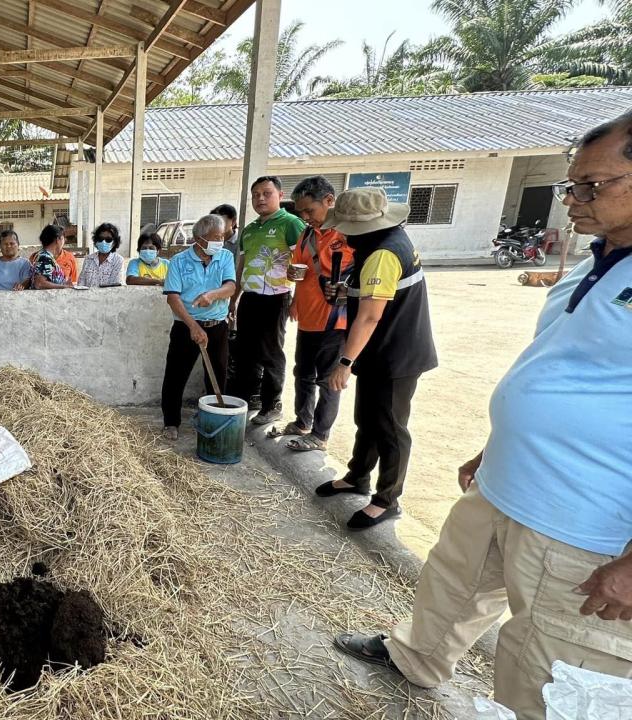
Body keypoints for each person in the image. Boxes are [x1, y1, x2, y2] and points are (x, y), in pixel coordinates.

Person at [333, 113, 632, 720]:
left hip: (582, 521)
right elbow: (556, 367)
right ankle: (415, 657)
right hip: (508, 482)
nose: (571, 200)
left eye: (592, 185)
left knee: (546, 669)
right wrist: (497, 445)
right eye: (571, 185)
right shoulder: (596, 262)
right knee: (454, 581)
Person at [314, 187, 437, 530]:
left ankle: (387, 499)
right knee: (367, 418)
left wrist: (344, 362)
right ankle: (357, 476)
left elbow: (369, 316)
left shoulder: (383, 253)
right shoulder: (386, 242)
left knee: (390, 428)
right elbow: (372, 292)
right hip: (379, 350)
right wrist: (345, 291)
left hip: (396, 355)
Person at [267, 176, 354, 452]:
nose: (305, 217)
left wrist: (345, 286)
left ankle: (320, 434)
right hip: (308, 317)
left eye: (309, 211)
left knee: (329, 379)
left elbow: (357, 275)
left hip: (334, 319)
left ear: (329, 201)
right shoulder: (306, 234)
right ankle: (302, 422)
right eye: (301, 212)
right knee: (303, 372)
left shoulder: (347, 234)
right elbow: (301, 266)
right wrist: (294, 284)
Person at [231, 177, 305, 425]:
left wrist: (297, 300)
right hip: (250, 297)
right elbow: (241, 266)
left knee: (271, 350)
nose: (260, 198)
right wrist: (233, 300)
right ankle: (247, 398)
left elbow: (304, 262)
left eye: (266, 193)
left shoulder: (291, 224)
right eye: (255, 195)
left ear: (280, 195)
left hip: (276, 298)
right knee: (245, 350)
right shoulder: (249, 230)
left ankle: (272, 403)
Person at [160, 215, 237, 441]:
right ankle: (171, 422)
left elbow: (231, 286)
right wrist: (193, 326)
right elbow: (173, 298)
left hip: (217, 326)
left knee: (217, 375)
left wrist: (211, 295)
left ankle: (214, 420)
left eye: (222, 237)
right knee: (175, 375)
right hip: (186, 326)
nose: (220, 241)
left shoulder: (225, 257)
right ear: (199, 238)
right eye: (215, 237)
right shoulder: (179, 261)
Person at [78, 223, 126, 287]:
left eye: (108, 239)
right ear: (96, 241)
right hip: (86, 296)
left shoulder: (118, 260)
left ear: (114, 243)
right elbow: (81, 283)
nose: (103, 242)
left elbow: (115, 286)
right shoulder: (88, 259)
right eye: (100, 239)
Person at [32, 224, 74, 289]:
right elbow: (39, 283)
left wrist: (63, 282)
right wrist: (64, 286)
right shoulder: (45, 258)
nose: (64, 241)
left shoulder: (45, 255)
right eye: (63, 238)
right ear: (57, 240)